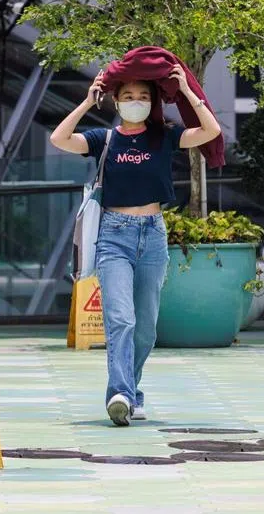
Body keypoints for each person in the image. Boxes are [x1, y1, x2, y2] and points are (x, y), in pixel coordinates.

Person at [49, 63, 221, 426]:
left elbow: (210, 131)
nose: (136, 102)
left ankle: (132, 390)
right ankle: (120, 394)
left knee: (146, 328)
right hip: (114, 235)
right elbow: (59, 139)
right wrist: (85, 103)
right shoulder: (104, 139)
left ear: (153, 101)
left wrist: (187, 93)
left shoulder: (164, 135)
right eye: (128, 96)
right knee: (121, 319)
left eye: (143, 96)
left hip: (153, 235)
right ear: (116, 100)